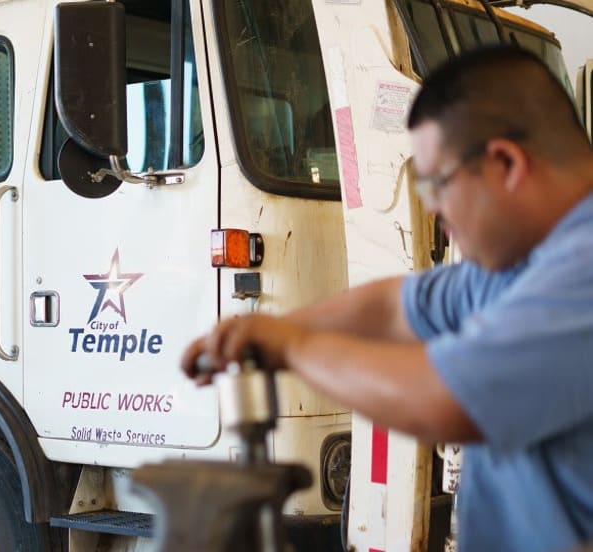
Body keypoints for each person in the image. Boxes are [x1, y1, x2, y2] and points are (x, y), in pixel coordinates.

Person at [182, 45, 593, 552]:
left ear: (505, 163)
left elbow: (444, 401)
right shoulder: (520, 261)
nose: (437, 213)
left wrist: (293, 348)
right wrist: (278, 329)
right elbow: (398, 306)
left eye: (437, 185)